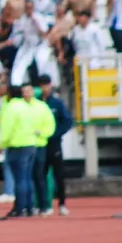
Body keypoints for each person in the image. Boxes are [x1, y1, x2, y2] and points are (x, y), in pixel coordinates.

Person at [0, 84, 55, 218]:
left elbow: (7, 128)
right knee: (29, 177)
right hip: (32, 143)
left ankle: (20, 207)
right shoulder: (29, 106)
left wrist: (2, 144)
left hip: (17, 144)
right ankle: (30, 206)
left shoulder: (11, 107)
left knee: (20, 178)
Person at [39, 75, 71, 216]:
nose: (44, 88)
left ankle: (62, 204)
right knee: (41, 175)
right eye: (42, 85)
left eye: (46, 85)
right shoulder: (37, 102)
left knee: (59, 175)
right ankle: (45, 205)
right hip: (40, 144)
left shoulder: (57, 103)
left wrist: (55, 133)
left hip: (54, 144)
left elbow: (67, 121)